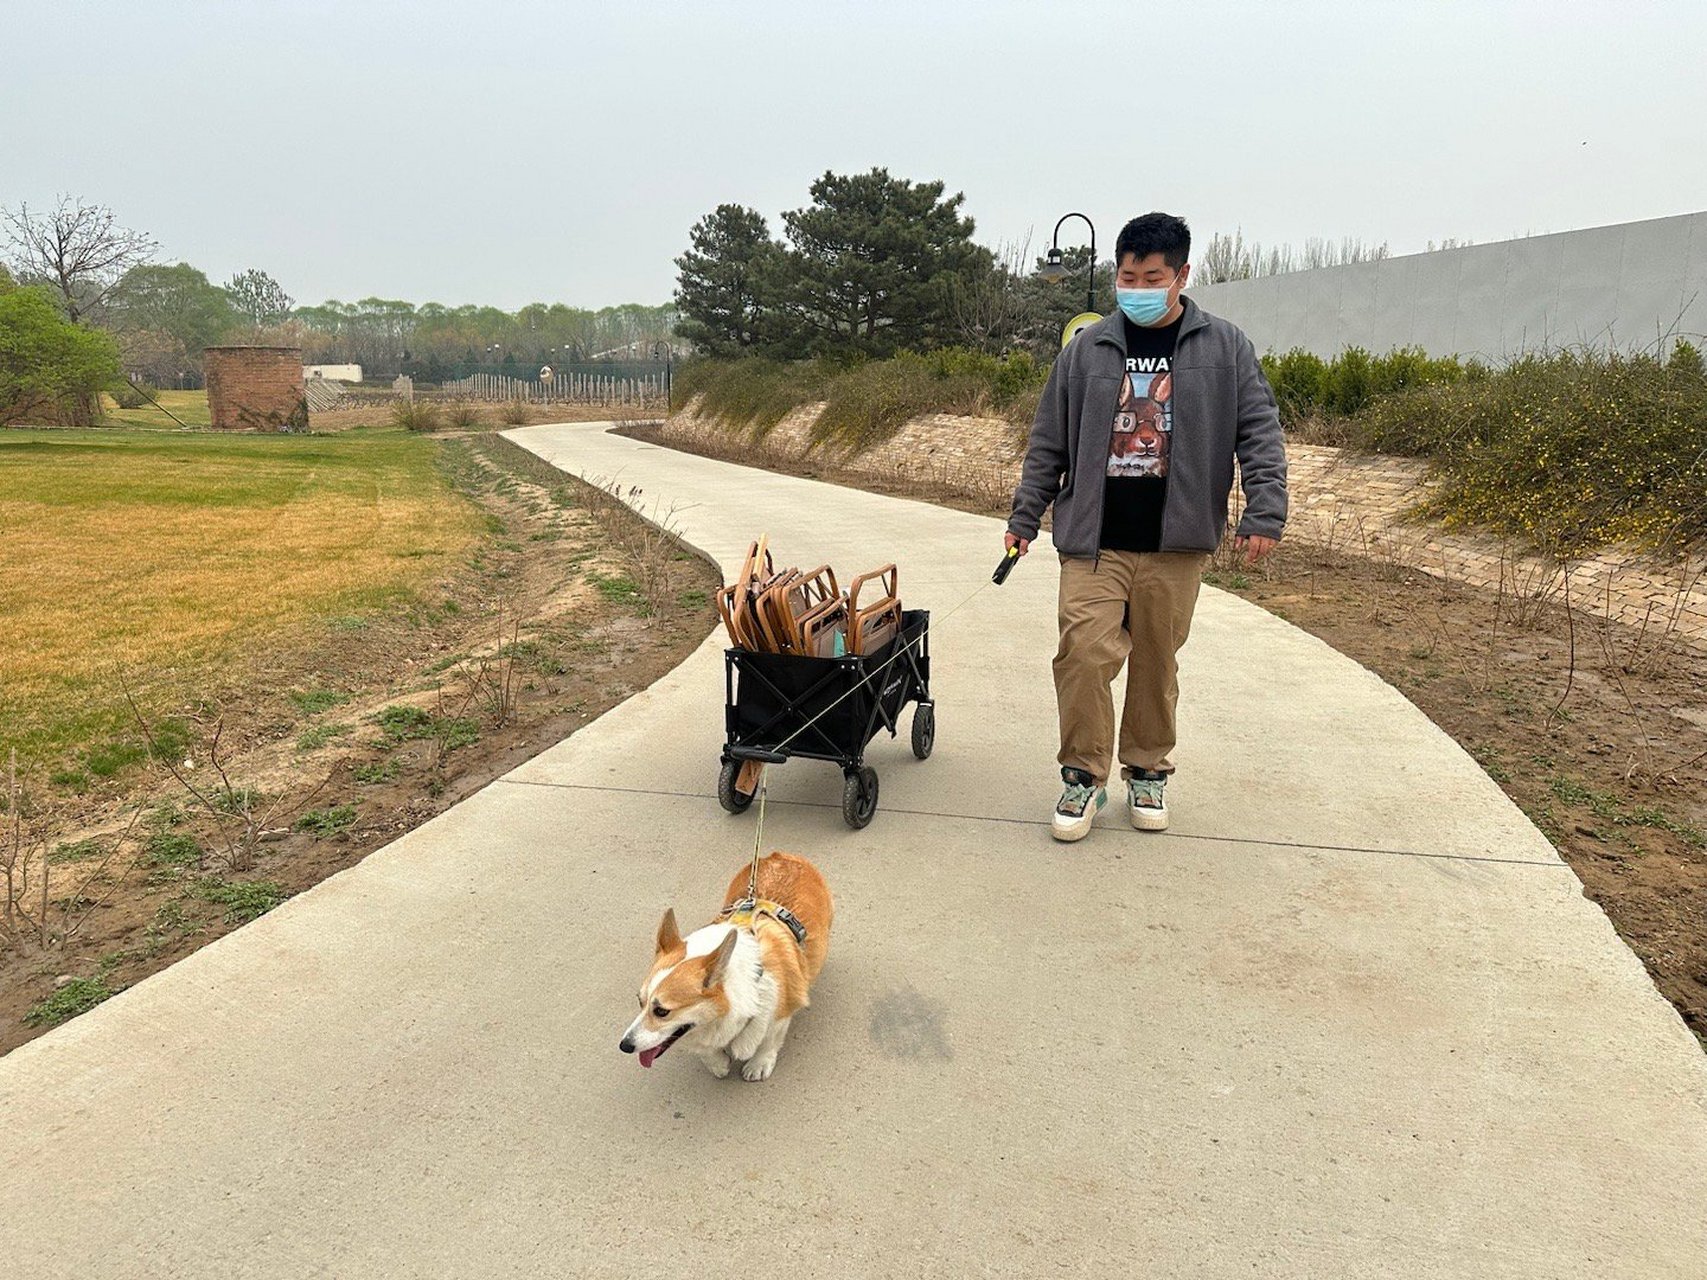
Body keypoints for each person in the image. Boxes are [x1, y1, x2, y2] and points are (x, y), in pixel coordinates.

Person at [1006, 212, 1287, 842]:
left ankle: (1147, 769)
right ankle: (1083, 777)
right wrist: (1026, 517)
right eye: (1125, 275)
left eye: (1151, 276)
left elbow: (1260, 434)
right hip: (1094, 542)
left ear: (1181, 275)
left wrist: (1264, 511)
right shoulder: (1088, 349)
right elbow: (1048, 441)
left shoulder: (1225, 347)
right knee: (1081, 655)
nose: (1136, 286)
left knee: (1157, 665)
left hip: (1175, 543)